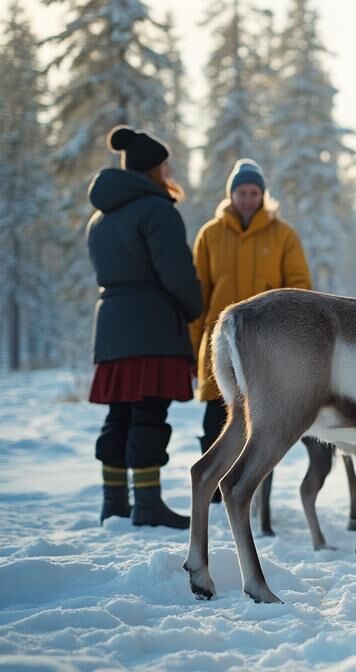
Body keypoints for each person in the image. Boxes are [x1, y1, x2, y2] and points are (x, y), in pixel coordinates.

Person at [88, 126, 203, 529]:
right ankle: (149, 504)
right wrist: (195, 309)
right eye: (165, 165)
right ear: (152, 169)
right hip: (152, 327)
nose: (169, 171)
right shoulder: (158, 211)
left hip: (112, 328)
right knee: (149, 414)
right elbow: (176, 273)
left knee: (119, 415)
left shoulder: (100, 219)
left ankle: (114, 502)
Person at [190, 159, 311, 487]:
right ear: (231, 194)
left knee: (264, 421)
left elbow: (299, 289)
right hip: (221, 345)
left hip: (268, 346)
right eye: (241, 192)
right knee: (217, 419)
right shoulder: (210, 235)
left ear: (262, 194)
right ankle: (214, 493)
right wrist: (192, 347)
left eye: (253, 192)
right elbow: (198, 293)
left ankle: (252, 490)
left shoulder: (283, 235)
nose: (247, 198)